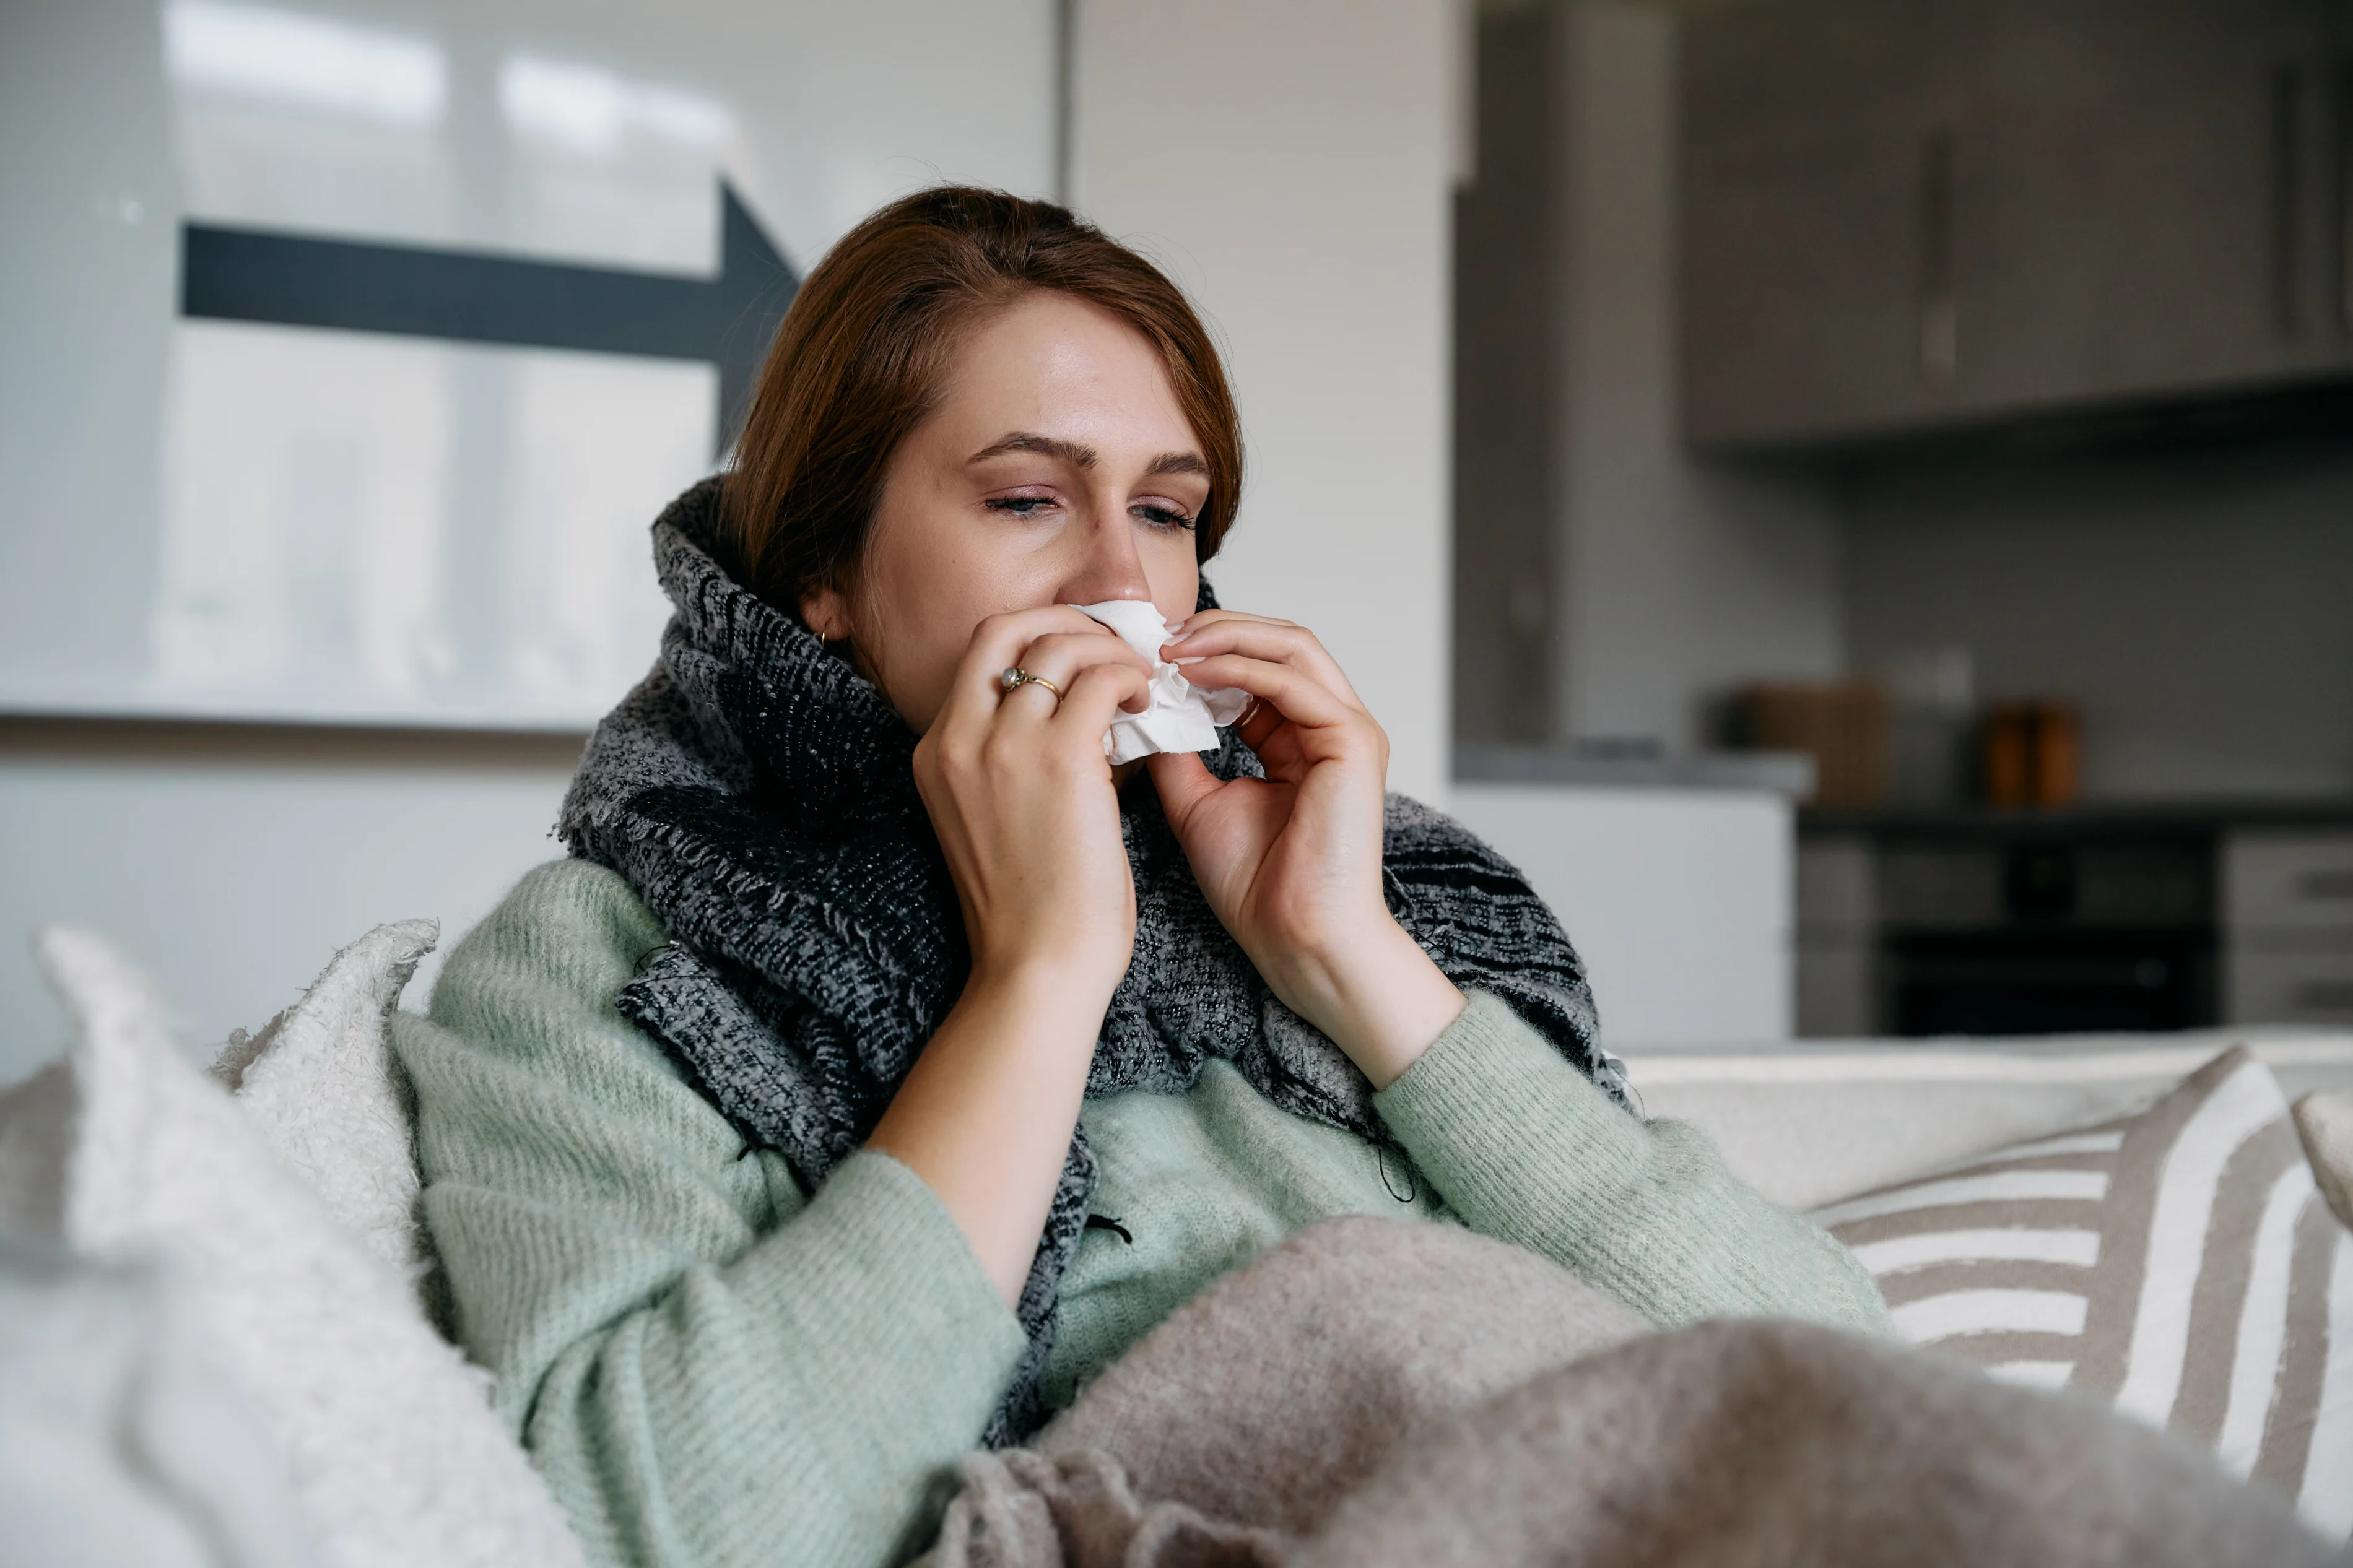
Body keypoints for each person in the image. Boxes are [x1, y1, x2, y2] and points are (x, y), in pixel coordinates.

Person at [394, 186, 1889, 1568]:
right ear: (824, 580)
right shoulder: (612, 962)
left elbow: (1832, 1379)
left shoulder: (1357, 882)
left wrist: (1346, 954)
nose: (1120, 580)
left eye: (1167, 512)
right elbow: (667, 1526)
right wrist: (1036, 977)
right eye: (1027, 498)